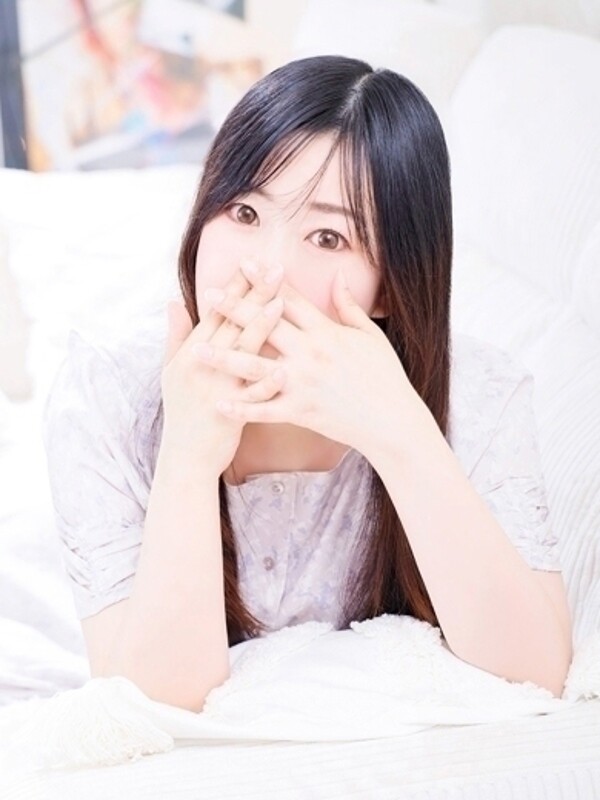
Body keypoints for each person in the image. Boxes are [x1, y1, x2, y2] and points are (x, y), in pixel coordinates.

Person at [42, 55, 570, 712]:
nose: (264, 271)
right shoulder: (105, 393)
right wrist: (189, 454)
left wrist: (398, 431)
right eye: (243, 212)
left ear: (390, 283)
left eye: (327, 236)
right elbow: (154, 704)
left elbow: (534, 671)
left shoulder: (479, 396)